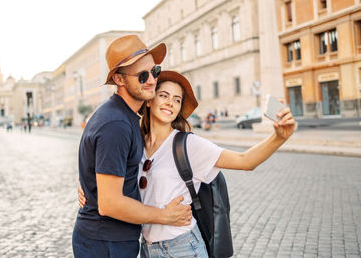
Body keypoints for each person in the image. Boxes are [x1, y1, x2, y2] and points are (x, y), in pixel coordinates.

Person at [79, 70, 296, 257]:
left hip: (182, 247)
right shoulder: (133, 138)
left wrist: (279, 137)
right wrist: (84, 184)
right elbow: (105, 163)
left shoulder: (188, 144)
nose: (170, 103)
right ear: (149, 99)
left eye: (177, 99)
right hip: (145, 249)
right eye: (163, 95)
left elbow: (245, 161)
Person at [72, 36, 192, 258]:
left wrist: (86, 182)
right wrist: (166, 216)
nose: (152, 81)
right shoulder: (116, 124)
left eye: (154, 71)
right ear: (119, 79)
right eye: (142, 76)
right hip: (105, 243)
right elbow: (110, 204)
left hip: (109, 240)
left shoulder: (120, 116)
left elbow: (97, 158)